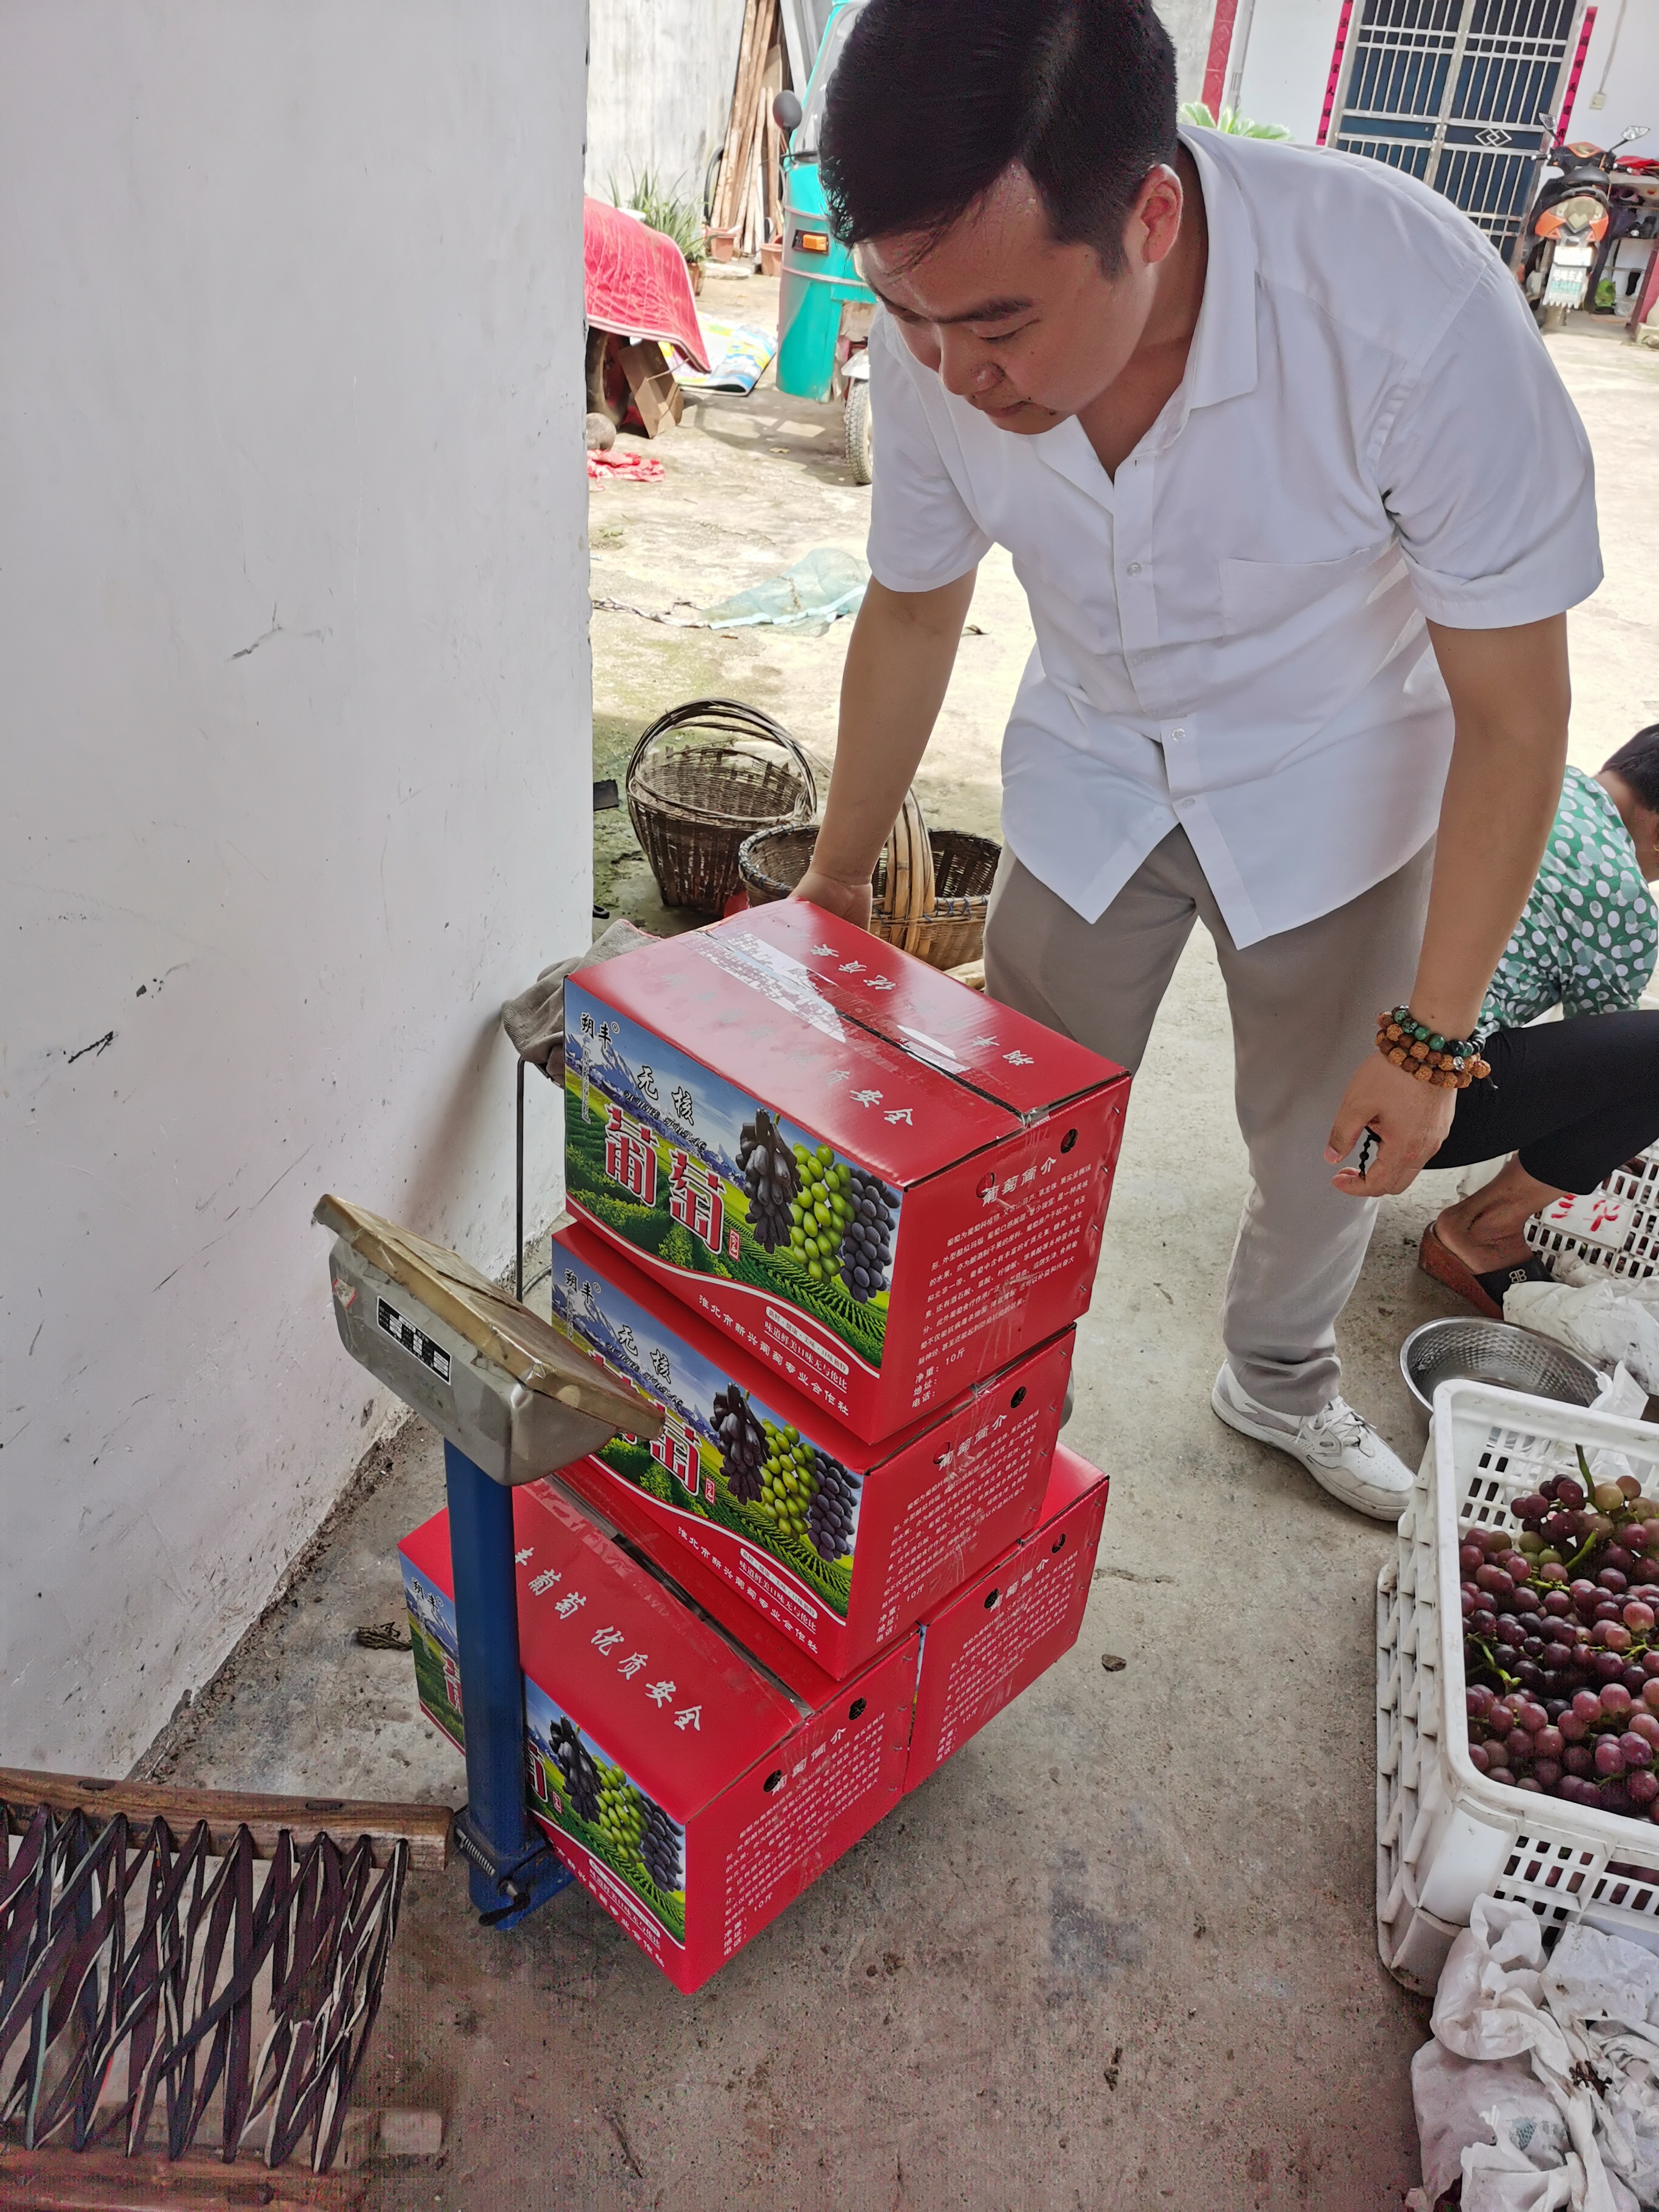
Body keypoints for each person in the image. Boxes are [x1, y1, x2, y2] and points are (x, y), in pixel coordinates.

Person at [788, 0, 1602, 1521]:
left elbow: (1513, 712)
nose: (951, 373)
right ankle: (999, 1403)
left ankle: (1279, 1375)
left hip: (1331, 781)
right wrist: (835, 880)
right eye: (910, 316)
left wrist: (1431, 1040)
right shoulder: (941, 309)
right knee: (1015, 1139)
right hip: (1091, 767)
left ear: (1148, 218)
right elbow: (913, 604)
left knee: (1325, 1144)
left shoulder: (1404, 309)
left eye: (1000, 328)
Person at [1418, 726, 1659, 1314]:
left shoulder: (1518, 781)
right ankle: (1484, 1229)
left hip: (1300, 1053)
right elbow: (1605, 1071)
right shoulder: (1624, 902)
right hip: (1409, 1092)